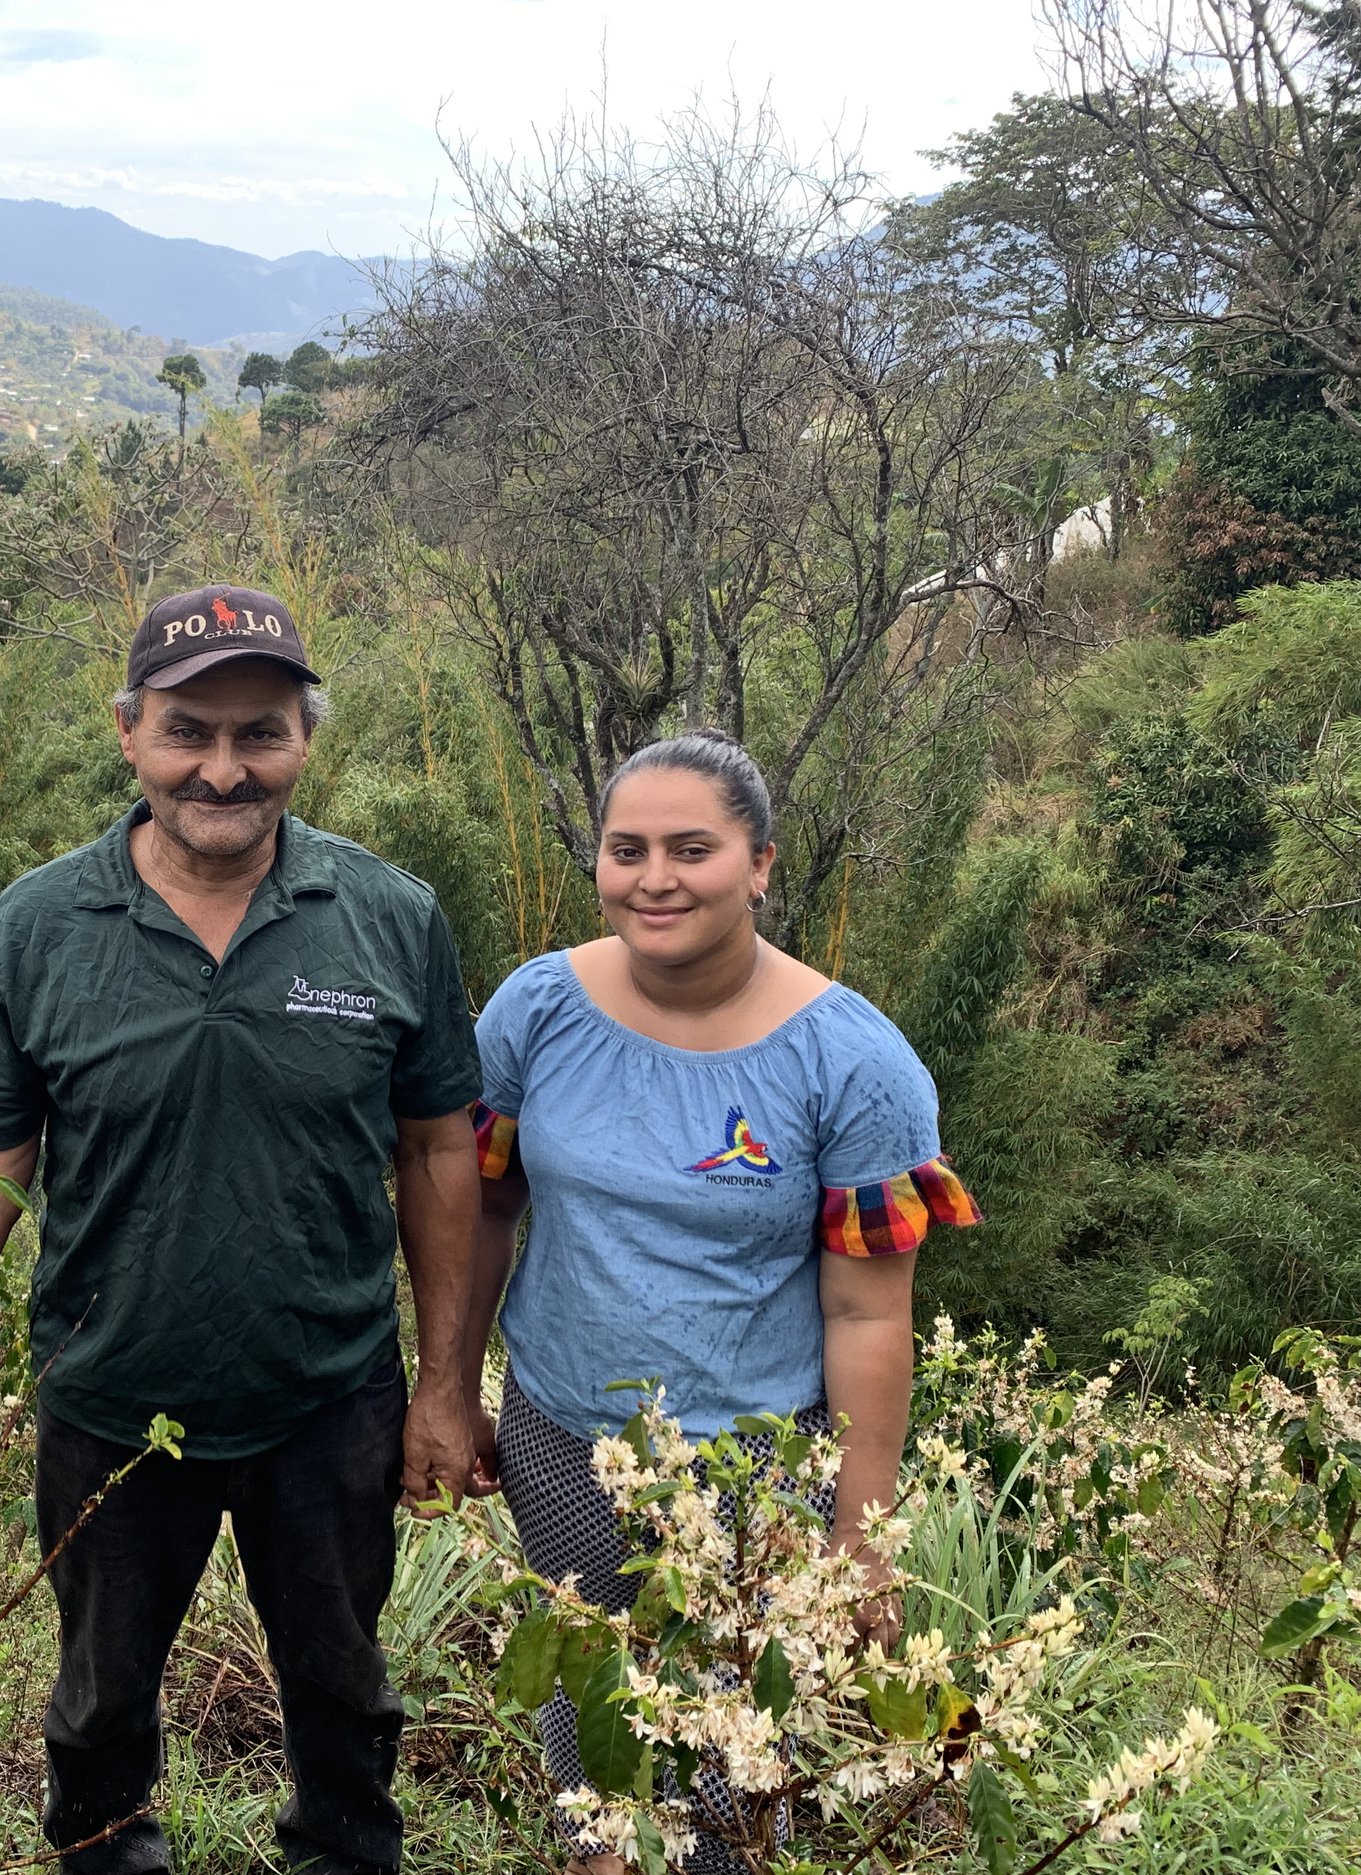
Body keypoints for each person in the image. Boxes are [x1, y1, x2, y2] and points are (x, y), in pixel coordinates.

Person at [0, 585, 482, 1875]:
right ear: (129, 732)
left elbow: (436, 1151)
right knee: (98, 1704)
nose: (225, 769)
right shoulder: (34, 928)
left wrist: (446, 1389)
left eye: (263, 733)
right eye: (190, 731)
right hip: (109, 1396)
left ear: (306, 738)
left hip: (329, 1396)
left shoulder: (389, 916)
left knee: (347, 1696)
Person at [458, 730, 979, 1875]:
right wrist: (446, 1390)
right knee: (591, 1682)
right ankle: (599, 1856)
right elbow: (481, 1213)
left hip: (757, 1460)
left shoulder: (851, 1060)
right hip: (559, 1435)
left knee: (729, 1728)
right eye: (625, 848)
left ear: (758, 864)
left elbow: (866, 1316)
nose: (654, 877)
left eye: (691, 848)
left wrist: (860, 1541)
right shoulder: (535, 1011)